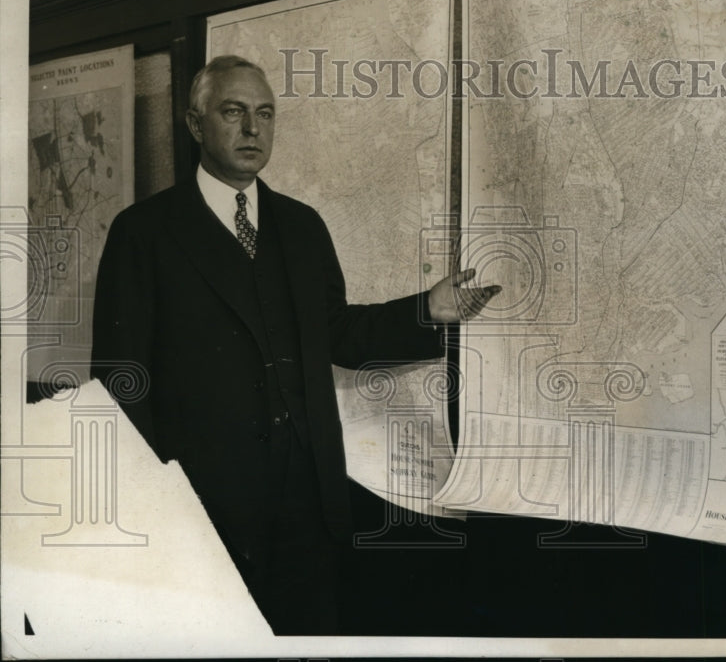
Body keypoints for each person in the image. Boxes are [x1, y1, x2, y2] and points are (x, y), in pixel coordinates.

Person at [90, 54, 499, 635]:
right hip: (204, 511)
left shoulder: (302, 226)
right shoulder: (144, 232)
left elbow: (337, 332)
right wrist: (156, 508)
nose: (253, 129)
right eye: (233, 112)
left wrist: (428, 309)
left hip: (308, 507)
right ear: (194, 122)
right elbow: (119, 385)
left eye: (265, 114)